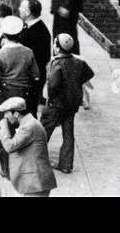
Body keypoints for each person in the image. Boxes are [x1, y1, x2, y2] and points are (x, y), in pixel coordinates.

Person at [40, 33, 94, 174]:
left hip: (56, 104)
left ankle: (36, 160)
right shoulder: (78, 62)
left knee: (43, 132)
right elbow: (88, 74)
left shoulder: (57, 64)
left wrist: (50, 98)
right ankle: (65, 165)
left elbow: (52, 85)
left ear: (57, 47)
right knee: (68, 134)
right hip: (72, 104)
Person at [0, 97, 56, 196]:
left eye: (7, 113)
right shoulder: (28, 123)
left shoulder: (28, 126)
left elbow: (10, 147)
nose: (5, 117)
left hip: (36, 182)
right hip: (34, 182)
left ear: (16, 114)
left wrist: (4, 129)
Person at [0, 15, 41, 117]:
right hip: (24, 93)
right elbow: (36, 74)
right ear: (20, 34)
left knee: (5, 128)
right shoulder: (28, 52)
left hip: (4, 93)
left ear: (4, 36)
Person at [19, 0, 52, 109]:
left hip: (32, 77)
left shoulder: (39, 32)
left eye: (22, 8)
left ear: (28, 12)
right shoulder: (30, 26)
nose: (19, 9)